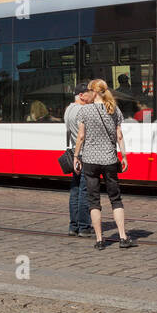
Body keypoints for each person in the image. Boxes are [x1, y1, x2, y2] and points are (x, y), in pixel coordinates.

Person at [73, 79, 134, 249]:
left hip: (90, 161)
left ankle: (100, 240)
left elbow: (81, 136)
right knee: (115, 198)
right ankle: (123, 237)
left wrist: (76, 156)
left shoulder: (85, 111)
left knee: (94, 200)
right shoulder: (113, 108)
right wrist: (124, 156)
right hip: (109, 160)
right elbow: (119, 136)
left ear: (94, 92)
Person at [64, 83, 94, 237]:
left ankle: (73, 226)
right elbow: (84, 134)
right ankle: (84, 226)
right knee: (84, 190)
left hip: (74, 154)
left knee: (75, 190)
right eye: (89, 93)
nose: (92, 96)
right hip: (83, 153)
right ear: (81, 95)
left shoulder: (68, 109)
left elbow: (69, 133)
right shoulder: (83, 110)